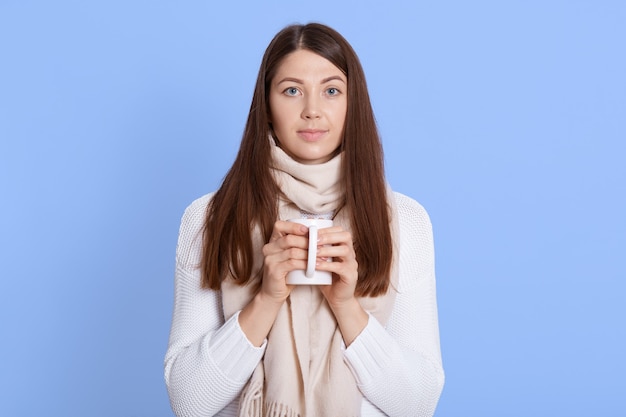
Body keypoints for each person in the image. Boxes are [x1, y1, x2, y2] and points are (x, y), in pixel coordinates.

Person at [164, 22, 444, 417]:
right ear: (266, 105)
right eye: (292, 90)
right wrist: (266, 298)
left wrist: (347, 306)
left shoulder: (403, 221)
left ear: (352, 104)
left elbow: (418, 404)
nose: (312, 110)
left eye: (331, 91)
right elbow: (188, 401)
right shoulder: (212, 217)